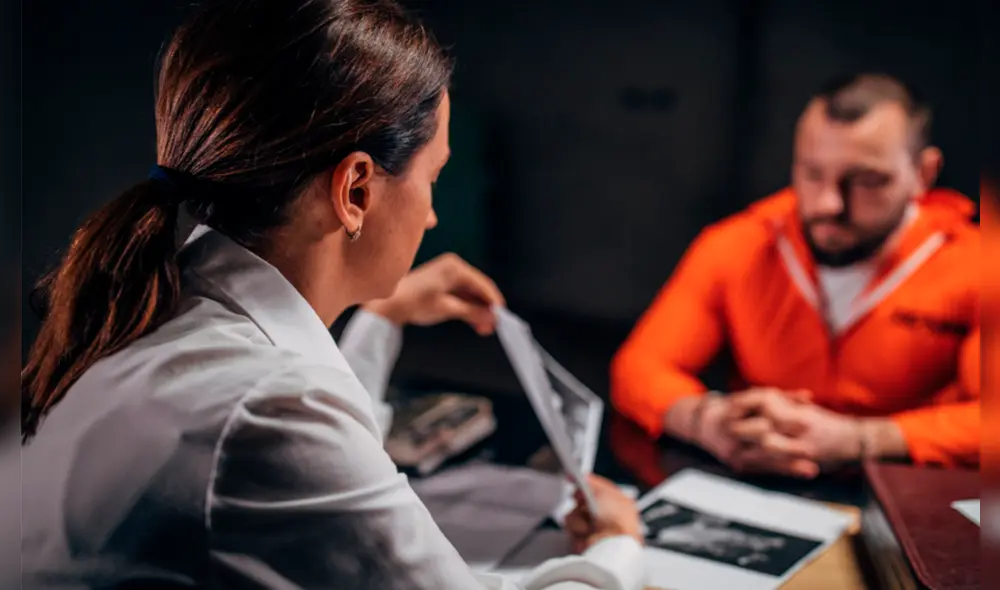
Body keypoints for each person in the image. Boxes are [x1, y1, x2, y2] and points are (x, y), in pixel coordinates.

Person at [19, 1, 646, 588]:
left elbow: (326, 451)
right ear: (355, 191)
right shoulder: (267, 410)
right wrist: (614, 548)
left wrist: (381, 314)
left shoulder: (168, 295)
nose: (431, 216)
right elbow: (303, 441)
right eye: (434, 176)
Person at [612, 73, 979, 477]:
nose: (828, 204)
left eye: (866, 181)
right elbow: (639, 367)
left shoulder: (978, 266)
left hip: (905, 500)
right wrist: (710, 421)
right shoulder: (739, 245)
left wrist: (861, 439)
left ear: (924, 173)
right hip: (758, 480)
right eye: (812, 173)